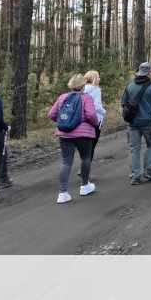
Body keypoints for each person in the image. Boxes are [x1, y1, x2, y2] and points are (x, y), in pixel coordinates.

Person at [48, 74, 99, 203]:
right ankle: (84, 186)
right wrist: (95, 124)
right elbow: (91, 115)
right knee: (85, 158)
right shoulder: (86, 98)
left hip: (64, 134)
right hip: (83, 134)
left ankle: (62, 193)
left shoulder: (62, 97)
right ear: (83, 86)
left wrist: (63, 123)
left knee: (66, 162)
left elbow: (51, 114)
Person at [121, 62, 151, 185]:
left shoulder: (129, 86)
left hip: (132, 122)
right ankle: (148, 171)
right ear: (149, 73)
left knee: (134, 148)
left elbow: (123, 103)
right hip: (148, 122)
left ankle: (135, 175)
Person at [82, 70, 107, 181]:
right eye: (98, 77)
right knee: (91, 146)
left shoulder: (81, 89)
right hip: (95, 120)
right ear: (93, 79)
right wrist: (104, 112)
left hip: (82, 121)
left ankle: (83, 168)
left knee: (84, 146)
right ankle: (85, 171)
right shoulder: (96, 90)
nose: (99, 79)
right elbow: (97, 106)